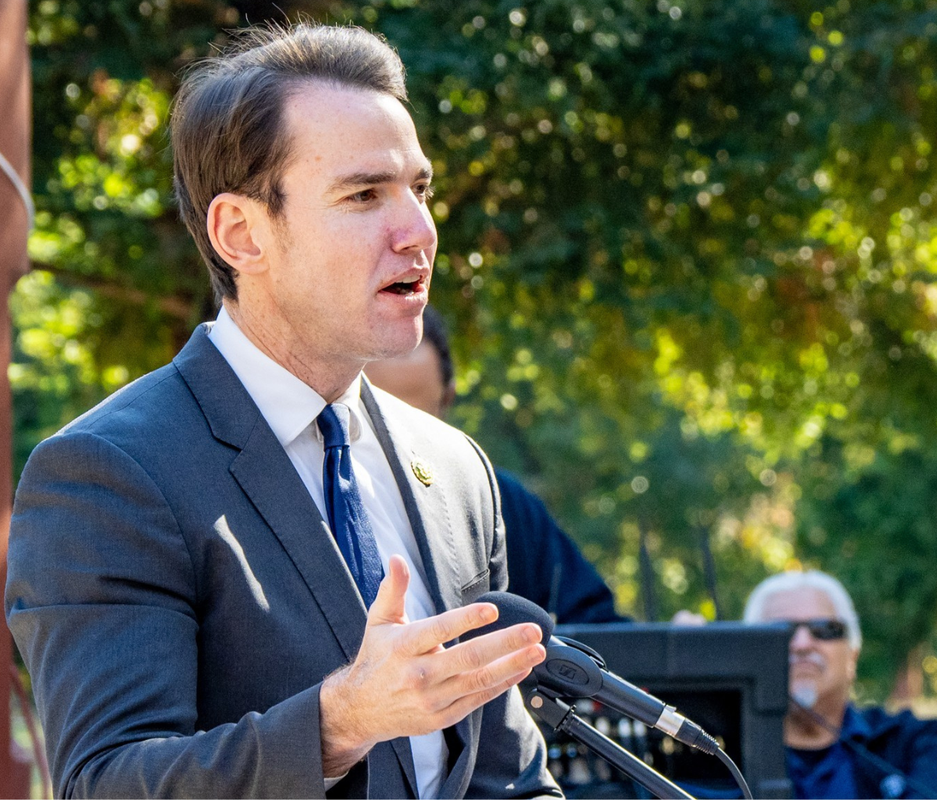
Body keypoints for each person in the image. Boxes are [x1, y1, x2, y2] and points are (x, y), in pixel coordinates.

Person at [4, 24, 561, 799]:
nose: (420, 233)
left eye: (420, 190)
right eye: (365, 195)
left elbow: (508, 780)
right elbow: (107, 783)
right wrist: (339, 724)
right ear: (241, 233)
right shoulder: (108, 473)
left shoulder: (458, 471)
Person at [365, 307, 625, 625]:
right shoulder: (323, 497)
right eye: (377, 418)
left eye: (415, 419)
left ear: (447, 400)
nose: (397, 439)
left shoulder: (501, 502)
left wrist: (671, 645)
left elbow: (596, 627)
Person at [744, 570, 937, 799]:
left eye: (825, 629)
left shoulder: (920, 743)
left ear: (853, 655)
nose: (803, 643)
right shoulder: (716, 755)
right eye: (780, 631)